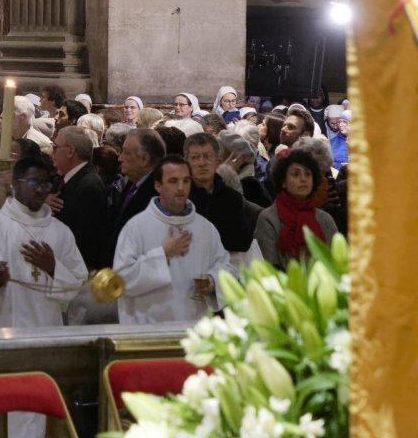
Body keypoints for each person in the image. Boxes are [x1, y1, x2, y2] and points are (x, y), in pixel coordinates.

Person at [0, 154, 88, 438]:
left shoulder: (60, 232)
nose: (40, 190)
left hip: (44, 332)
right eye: (33, 183)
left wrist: (53, 268)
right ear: (17, 184)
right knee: (4, 407)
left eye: (45, 184)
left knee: (35, 413)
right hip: (3, 329)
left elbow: (78, 282)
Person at [113, 155, 231, 325]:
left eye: (186, 181)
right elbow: (121, 281)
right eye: (173, 181)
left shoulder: (205, 227)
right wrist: (163, 254)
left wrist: (212, 281)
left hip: (195, 330)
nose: (181, 188)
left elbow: (225, 267)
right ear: (158, 185)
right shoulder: (136, 227)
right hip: (147, 332)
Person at [254, 149, 338, 268]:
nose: (303, 179)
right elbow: (268, 266)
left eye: (308, 174)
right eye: (296, 174)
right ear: (283, 182)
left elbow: (337, 261)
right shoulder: (269, 218)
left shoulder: (325, 219)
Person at [184, 133, 256, 267]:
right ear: (186, 163)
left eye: (207, 157)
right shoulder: (180, 197)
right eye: (195, 158)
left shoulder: (232, 198)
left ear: (218, 161)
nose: (202, 163)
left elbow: (242, 240)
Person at [48, 126, 109, 271]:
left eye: (56, 147)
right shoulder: (68, 178)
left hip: (74, 271)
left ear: (70, 151)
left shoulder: (88, 187)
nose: (52, 153)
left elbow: (85, 241)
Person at [104, 127, 166, 268]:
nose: (120, 158)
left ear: (144, 159)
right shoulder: (130, 184)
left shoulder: (159, 193)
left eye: (126, 153)